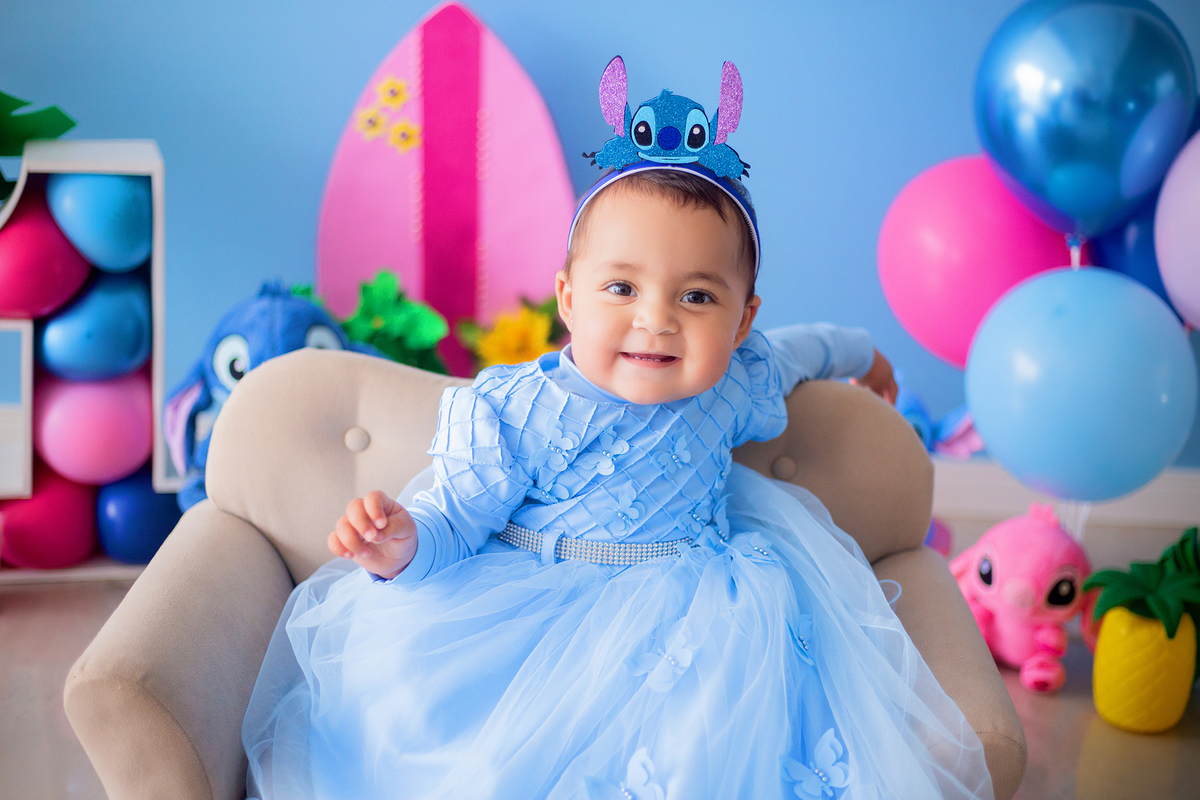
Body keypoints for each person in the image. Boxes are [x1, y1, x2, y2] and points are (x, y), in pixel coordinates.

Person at [243, 68, 993, 800]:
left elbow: (813, 346)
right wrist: (401, 544)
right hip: (530, 620)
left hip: (700, 618)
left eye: (697, 295)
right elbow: (458, 518)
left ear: (742, 321)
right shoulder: (516, 406)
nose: (657, 318)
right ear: (569, 298)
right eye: (621, 287)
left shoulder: (739, 376)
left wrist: (870, 353)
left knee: (711, 749)